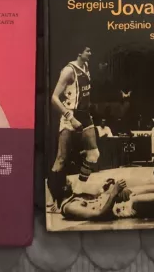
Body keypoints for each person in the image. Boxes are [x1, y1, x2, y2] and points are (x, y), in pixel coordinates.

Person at [48, 47, 99, 206]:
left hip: (85, 114)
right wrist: (70, 118)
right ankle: (51, 196)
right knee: (61, 159)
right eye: (88, 51)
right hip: (70, 115)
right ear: (79, 52)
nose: (90, 53)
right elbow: (54, 98)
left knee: (94, 155)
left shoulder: (86, 66)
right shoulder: (68, 71)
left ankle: (77, 190)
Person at [54, 178, 154, 221]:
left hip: (119, 199)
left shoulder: (73, 197)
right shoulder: (70, 207)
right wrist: (114, 192)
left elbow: (96, 200)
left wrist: (106, 189)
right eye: (67, 181)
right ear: (62, 188)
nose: (70, 181)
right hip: (124, 208)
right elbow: (100, 215)